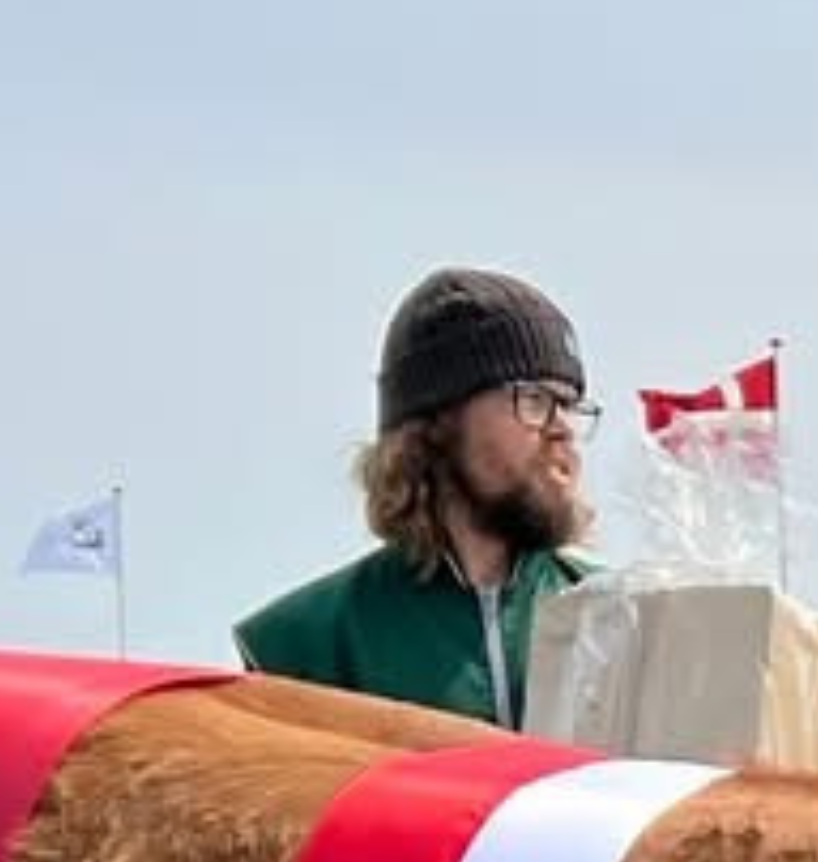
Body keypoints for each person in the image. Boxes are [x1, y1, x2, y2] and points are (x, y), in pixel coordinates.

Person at [236, 268, 598, 723]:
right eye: (535, 399)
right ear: (438, 422)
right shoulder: (307, 647)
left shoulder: (616, 618)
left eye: (570, 404)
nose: (563, 428)